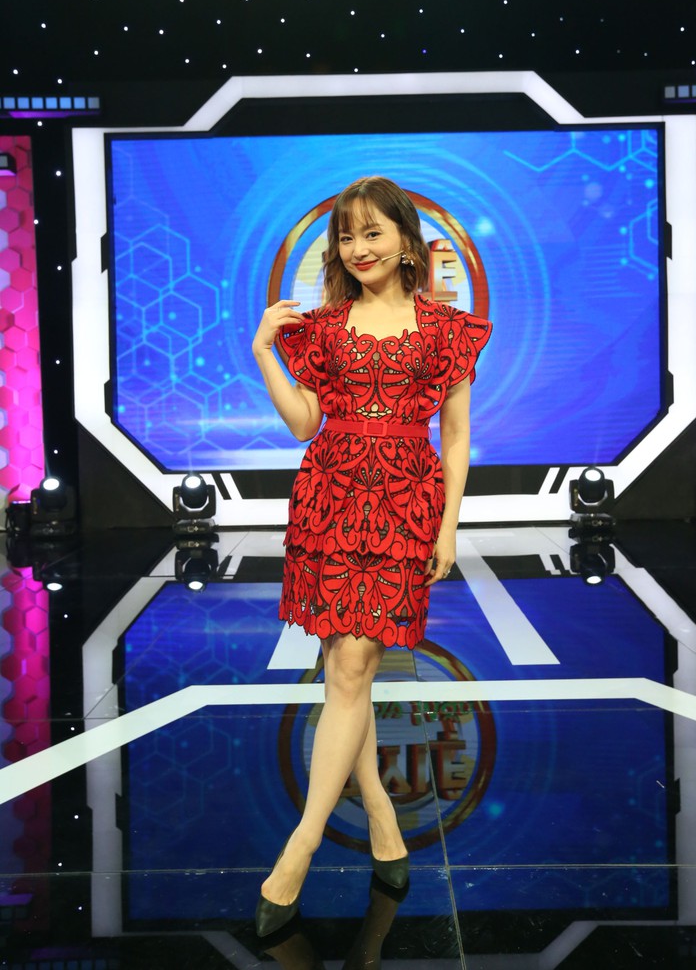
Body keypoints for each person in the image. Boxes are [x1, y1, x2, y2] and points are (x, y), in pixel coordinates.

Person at [251, 176, 491, 937]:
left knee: (351, 668)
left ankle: (301, 845)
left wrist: (447, 526)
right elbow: (303, 424)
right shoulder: (323, 328)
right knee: (344, 672)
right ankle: (382, 820)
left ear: (407, 240)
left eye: (372, 233)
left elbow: (456, 434)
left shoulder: (446, 329)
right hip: (329, 496)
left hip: (403, 503)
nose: (358, 248)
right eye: (347, 236)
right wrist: (264, 351)